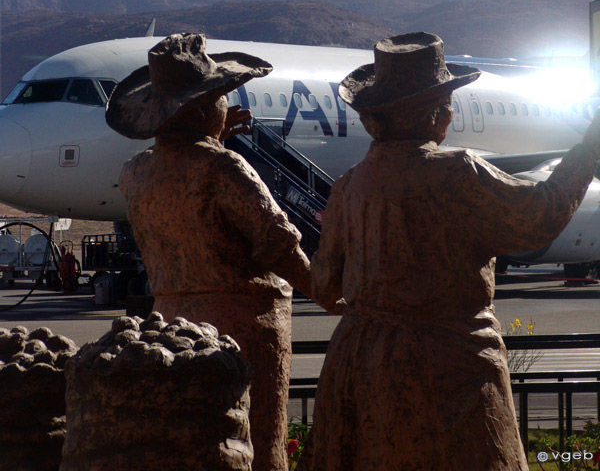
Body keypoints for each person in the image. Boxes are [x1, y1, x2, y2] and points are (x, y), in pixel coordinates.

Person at [305, 32, 600, 471]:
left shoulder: (348, 187)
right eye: (447, 104)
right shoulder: (457, 173)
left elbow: (324, 286)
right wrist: (589, 150)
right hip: (446, 368)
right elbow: (537, 217)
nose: (451, 112)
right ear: (434, 113)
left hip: (359, 366)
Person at [106, 33, 311, 471]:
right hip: (242, 330)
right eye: (219, 98)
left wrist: (206, 134)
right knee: (256, 443)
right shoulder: (224, 168)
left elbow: (175, 158)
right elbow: (279, 242)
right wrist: (332, 292)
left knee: (191, 446)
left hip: (170, 324)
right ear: (202, 109)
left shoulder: (134, 173)